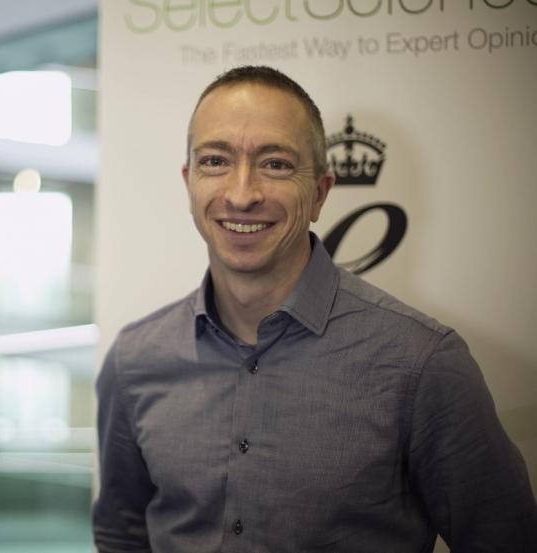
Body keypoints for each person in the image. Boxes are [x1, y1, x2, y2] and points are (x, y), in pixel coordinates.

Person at [92, 65, 536, 553]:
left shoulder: (422, 363)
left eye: (275, 164)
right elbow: (121, 533)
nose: (241, 194)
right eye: (215, 161)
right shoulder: (134, 359)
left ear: (320, 193)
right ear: (189, 182)